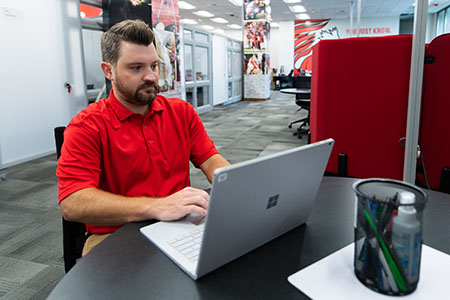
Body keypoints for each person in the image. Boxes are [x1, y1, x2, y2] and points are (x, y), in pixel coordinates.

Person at [56, 20, 230, 255]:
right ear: (108, 71)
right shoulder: (86, 126)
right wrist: (158, 207)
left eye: (154, 66)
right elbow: (73, 202)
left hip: (180, 224)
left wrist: (233, 184)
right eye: (136, 68)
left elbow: (211, 159)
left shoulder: (181, 112)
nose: (150, 76)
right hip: (114, 235)